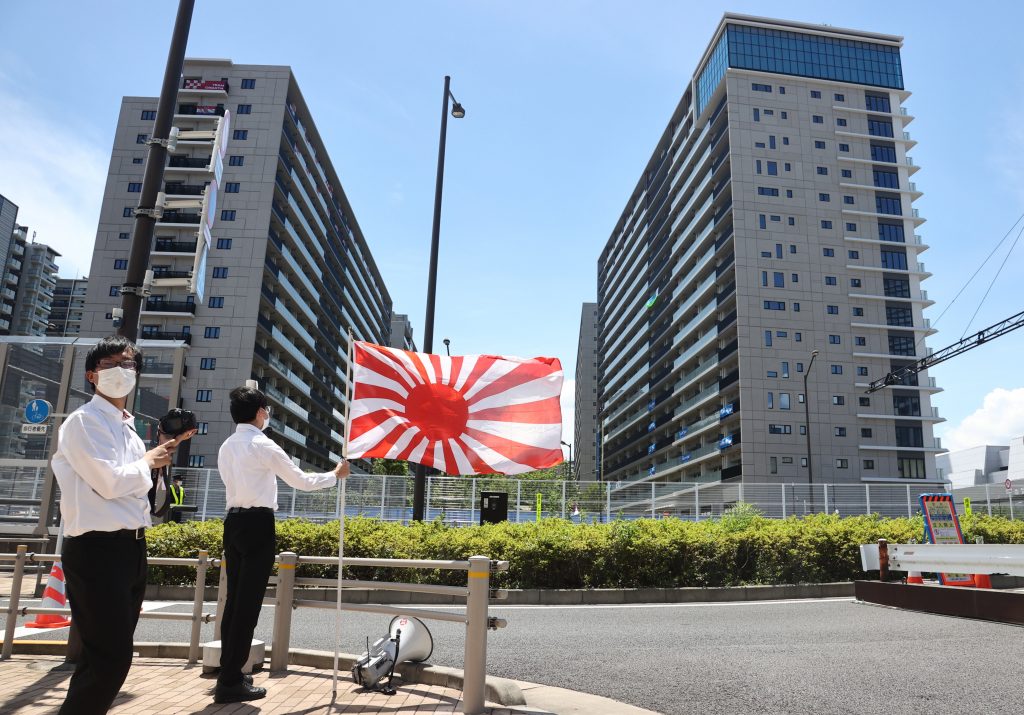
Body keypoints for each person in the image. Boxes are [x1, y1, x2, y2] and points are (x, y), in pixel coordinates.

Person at [51, 336, 195, 715]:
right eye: (111, 364)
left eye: (129, 365)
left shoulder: (128, 430)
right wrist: (149, 461)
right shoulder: (84, 422)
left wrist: (158, 458)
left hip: (130, 547)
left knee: (106, 656)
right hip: (97, 548)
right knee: (110, 658)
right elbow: (110, 482)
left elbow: (138, 490)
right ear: (92, 376)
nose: (121, 371)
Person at [214, 385, 349, 704]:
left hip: (232, 522)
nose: (268, 415)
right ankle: (231, 680)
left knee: (234, 601)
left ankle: (229, 671)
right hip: (258, 523)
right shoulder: (263, 445)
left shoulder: (227, 445)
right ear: (260, 412)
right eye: (267, 410)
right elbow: (300, 481)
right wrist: (335, 474)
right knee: (247, 604)